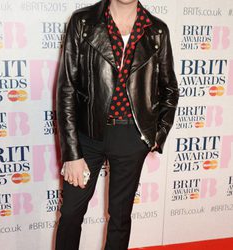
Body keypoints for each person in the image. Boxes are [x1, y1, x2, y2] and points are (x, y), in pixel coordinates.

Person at [55, 0, 179, 249]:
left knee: (120, 219)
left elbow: (169, 88)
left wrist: (158, 133)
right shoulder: (83, 22)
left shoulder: (157, 30)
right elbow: (66, 88)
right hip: (87, 136)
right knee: (70, 213)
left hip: (131, 137)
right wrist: (71, 152)